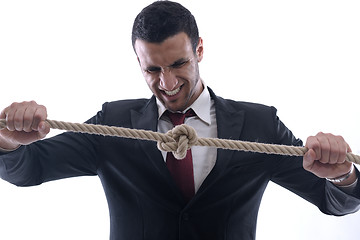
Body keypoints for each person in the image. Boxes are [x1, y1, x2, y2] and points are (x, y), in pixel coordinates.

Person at [0, 1, 359, 239]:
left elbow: (336, 202)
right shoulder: (114, 121)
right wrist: (9, 140)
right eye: (152, 69)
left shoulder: (258, 124)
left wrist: (342, 174)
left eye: (178, 64)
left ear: (199, 50)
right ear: (138, 62)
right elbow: (28, 170)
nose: (167, 83)